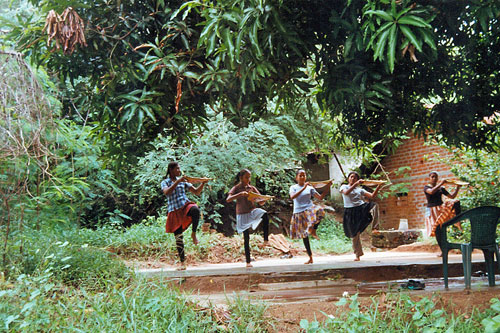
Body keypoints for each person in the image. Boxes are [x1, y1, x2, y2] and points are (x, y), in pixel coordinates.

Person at [161, 162, 208, 270]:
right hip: (174, 210)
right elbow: (167, 192)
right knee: (178, 238)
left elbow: (196, 192)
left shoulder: (183, 182)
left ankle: (193, 233)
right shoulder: (165, 182)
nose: (179, 170)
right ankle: (183, 263)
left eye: (179, 168)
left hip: (184, 206)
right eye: (177, 169)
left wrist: (203, 183)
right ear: (171, 170)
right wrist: (178, 181)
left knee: (195, 209)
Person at [227, 169, 270, 268]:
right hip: (242, 214)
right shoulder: (236, 188)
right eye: (246, 177)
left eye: (249, 177)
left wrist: (264, 199)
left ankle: (266, 239)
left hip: (252, 211)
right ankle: (248, 261)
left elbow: (261, 202)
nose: (248, 179)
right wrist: (240, 194)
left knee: (264, 214)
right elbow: (228, 199)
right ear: (241, 178)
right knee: (246, 237)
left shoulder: (251, 188)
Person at [289, 169, 332, 264]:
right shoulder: (293, 187)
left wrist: (327, 187)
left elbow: (320, 198)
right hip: (298, 212)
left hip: (309, 209)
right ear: (296, 177)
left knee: (320, 210)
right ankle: (310, 257)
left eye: (304, 175)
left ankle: (314, 230)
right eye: (300, 175)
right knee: (304, 235)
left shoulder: (310, 188)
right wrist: (303, 188)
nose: (302, 177)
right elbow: (292, 197)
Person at [340, 171, 382, 261]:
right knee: (355, 234)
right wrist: (356, 184)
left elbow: (372, 196)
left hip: (361, 208)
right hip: (350, 212)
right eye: (351, 177)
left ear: (357, 179)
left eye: (355, 178)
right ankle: (358, 255)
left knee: (374, 205)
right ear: (348, 178)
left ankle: (375, 228)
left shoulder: (360, 189)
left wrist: (379, 185)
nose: (353, 179)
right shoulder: (344, 187)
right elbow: (346, 193)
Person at [424, 171, 461, 239]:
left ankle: (458, 223)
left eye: (436, 177)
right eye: (432, 177)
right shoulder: (426, 187)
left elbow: (452, 197)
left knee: (455, 202)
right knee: (435, 227)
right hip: (432, 210)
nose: (434, 178)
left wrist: (458, 188)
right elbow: (431, 192)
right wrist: (441, 183)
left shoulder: (441, 189)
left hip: (440, 208)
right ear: (429, 178)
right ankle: (438, 241)